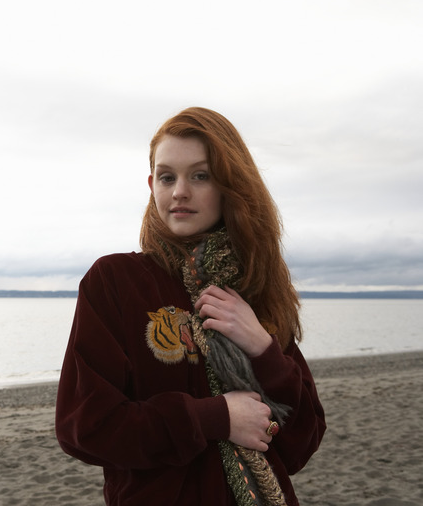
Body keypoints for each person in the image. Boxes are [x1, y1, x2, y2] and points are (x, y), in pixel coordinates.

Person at [55, 107, 326, 505]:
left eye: (200, 175)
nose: (180, 191)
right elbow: (86, 427)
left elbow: (302, 441)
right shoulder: (116, 280)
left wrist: (263, 348)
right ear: (152, 185)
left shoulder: (254, 289)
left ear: (231, 185)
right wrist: (215, 418)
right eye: (167, 177)